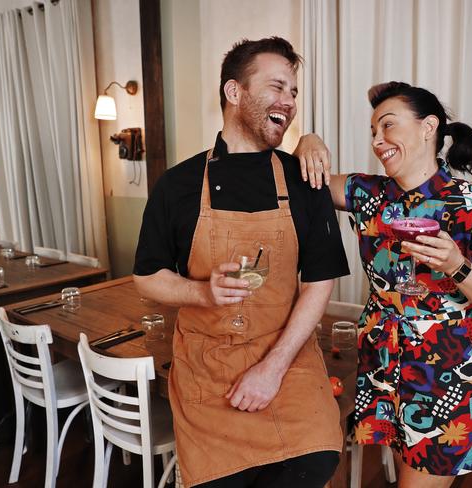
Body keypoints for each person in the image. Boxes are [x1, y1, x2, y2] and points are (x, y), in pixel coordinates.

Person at [133, 37, 350, 488]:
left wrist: (272, 369)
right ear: (235, 93)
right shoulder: (177, 185)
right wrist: (200, 292)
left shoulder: (303, 178)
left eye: (293, 92)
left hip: (287, 359)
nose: (289, 103)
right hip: (207, 371)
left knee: (317, 459)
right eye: (277, 87)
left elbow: (319, 281)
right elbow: (147, 278)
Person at [294, 81, 472, 487]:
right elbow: (305, 178)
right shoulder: (368, 193)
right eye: (373, 132)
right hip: (383, 362)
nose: (377, 140)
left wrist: (456, 264)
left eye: (388, 126)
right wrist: (307, 141)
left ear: (427, 127)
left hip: (448, 375)